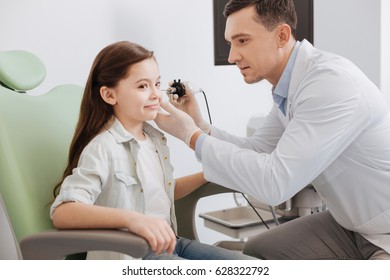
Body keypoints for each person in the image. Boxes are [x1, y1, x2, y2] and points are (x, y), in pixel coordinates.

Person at [155, 0, 390, 260]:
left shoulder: (328, 84)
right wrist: (199, 126)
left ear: (281, 35)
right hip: (350, 224)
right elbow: (258, 148)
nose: (232, 56)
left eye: (242, 41)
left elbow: (275, 182)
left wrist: (192, 137)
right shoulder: (290, 87)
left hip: (384, 232)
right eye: (230, 43)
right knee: (260, 250)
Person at [50, 41, 256, 260]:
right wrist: (133, 220)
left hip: (171, 244)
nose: (156, 94)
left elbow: (161, 191)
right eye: (142, 86)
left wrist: (209, 173)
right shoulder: (103, 147)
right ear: (109, 95)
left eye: (157, 84)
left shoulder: (154, 139)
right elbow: (63, 212)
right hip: (133, 256)